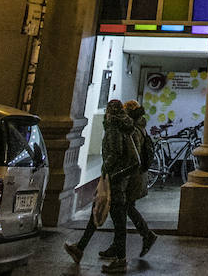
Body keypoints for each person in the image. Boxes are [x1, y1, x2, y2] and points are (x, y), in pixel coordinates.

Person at [65, 98, 140, 273]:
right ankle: (80, 248)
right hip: (119, 179)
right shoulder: (125, 126)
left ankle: (120, 259)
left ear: (109, 111)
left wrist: (106, 172)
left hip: (114, 180)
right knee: (98, 212)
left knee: (117, 220)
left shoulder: (114, 127)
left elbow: (114, 153)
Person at [122, 100, 157, 256]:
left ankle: (146, 235)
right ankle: (119, 245)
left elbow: (132, 156)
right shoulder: (141, 127)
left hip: (133, 175)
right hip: (138, 174)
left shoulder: (134, 129)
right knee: (126, 207)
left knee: (125, 207)